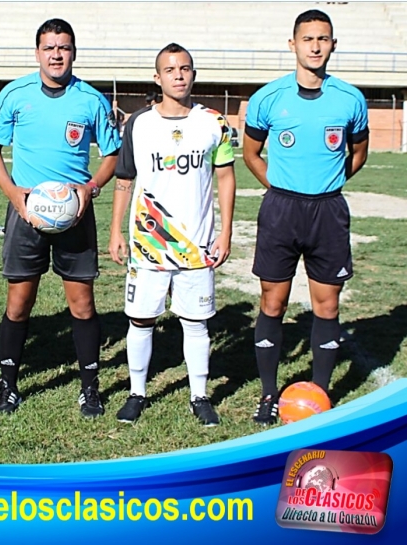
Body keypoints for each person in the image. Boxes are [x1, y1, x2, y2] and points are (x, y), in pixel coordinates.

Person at [0, 18, 121, 418]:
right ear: (37, 53)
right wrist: (14, 194)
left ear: (73, 52)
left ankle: (90, 389)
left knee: (82, 304)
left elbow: (112, 155)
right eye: (49, 47)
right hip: (27, 211)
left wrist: (90, 188)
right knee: (18, 303)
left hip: (75, 215)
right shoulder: (15, 94)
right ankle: (8, 385)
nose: (56, 55)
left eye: (63, 47)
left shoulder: (91, 100)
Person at [243, 9, 369, 425]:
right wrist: (280, 187)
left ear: (333, 44)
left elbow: (358, 153)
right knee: (272, 301)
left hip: (328, 211)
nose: (315, 46)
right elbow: (251, 153)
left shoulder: (350, 99)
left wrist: (327, 184)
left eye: (323, 38)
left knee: (327, 305)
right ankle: (268, 394)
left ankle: (320, 395)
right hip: (281, 209)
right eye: (308, 38)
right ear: (292, 44)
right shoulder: (268, 98)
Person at [109, 43, 236, 425]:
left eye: (185, 68)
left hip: (196, 243)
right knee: (140, 319)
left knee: (196, 323)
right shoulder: (138, 123)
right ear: (157, 77)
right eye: (170, 69)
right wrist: (115, 230)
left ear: (193, 74)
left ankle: (200, 396)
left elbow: (225, 178)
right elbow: (124, 179)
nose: (178, 75)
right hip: (148, 241)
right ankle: (137, 392)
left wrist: (226, 232)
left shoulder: (213, 122)